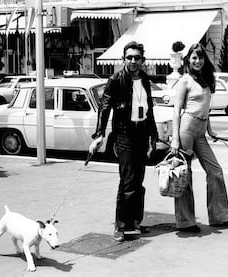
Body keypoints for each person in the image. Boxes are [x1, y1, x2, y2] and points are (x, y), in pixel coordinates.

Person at [89, 41, 158, 242]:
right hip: (125, 134)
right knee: (127, 179)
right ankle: (121, 226)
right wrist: (99, 134)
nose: (133, 61)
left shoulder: (145, 79)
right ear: (123, 59)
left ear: (142, 60)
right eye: (129, 57)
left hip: (142, 133)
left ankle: (135, 221)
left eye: (137, 57)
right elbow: (105, 106)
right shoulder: (115, 80)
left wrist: (153, 135)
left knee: (138, 180)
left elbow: (149, 109)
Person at [170, 43, 228, 233]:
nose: (197, 61)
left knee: (215, 172)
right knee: (184, 175)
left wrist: (210, 129)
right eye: (194, 58)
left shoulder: (206, 80)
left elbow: (206, 109)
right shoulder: (185, 81)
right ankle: (185, 221)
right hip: (187, 129)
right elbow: (176, 111)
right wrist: (175, 138)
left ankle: (219, 217)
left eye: (200, 57)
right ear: (188, 60)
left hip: (200, 131)